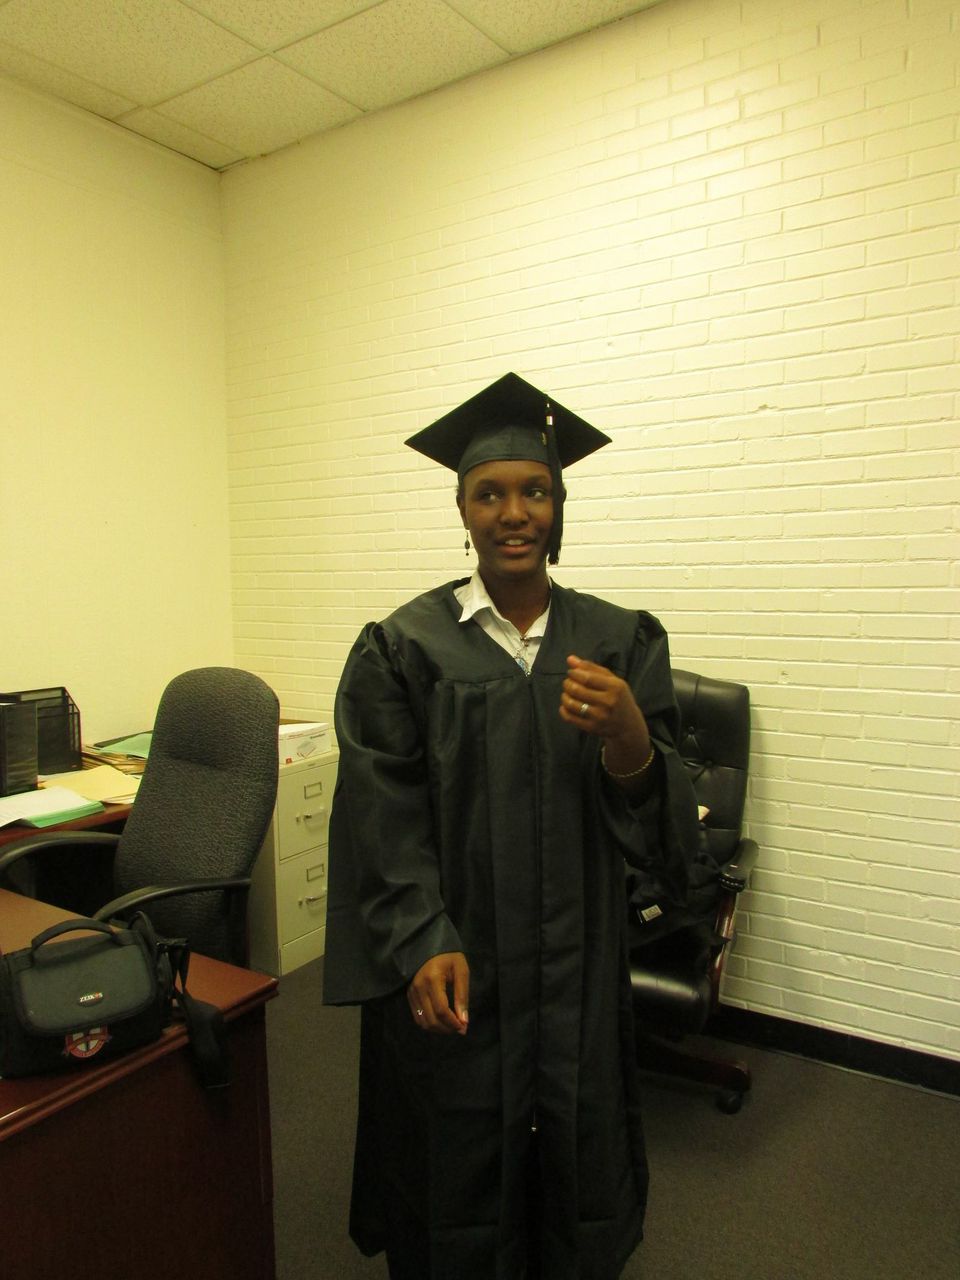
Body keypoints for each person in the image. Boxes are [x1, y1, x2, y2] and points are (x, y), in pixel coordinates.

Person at [323, 372, 700, 1280]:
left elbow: (655, 825)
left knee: (575, 1126)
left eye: (535, 490)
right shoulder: (403, 649)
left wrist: (630, 737)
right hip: (459, 949)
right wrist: (418, 937)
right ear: (462, 509)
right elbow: (382, 810)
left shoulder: (619, 643)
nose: (514, 511)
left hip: (576, 953)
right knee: (453, 1135)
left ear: (559, 506)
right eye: (489, 493)